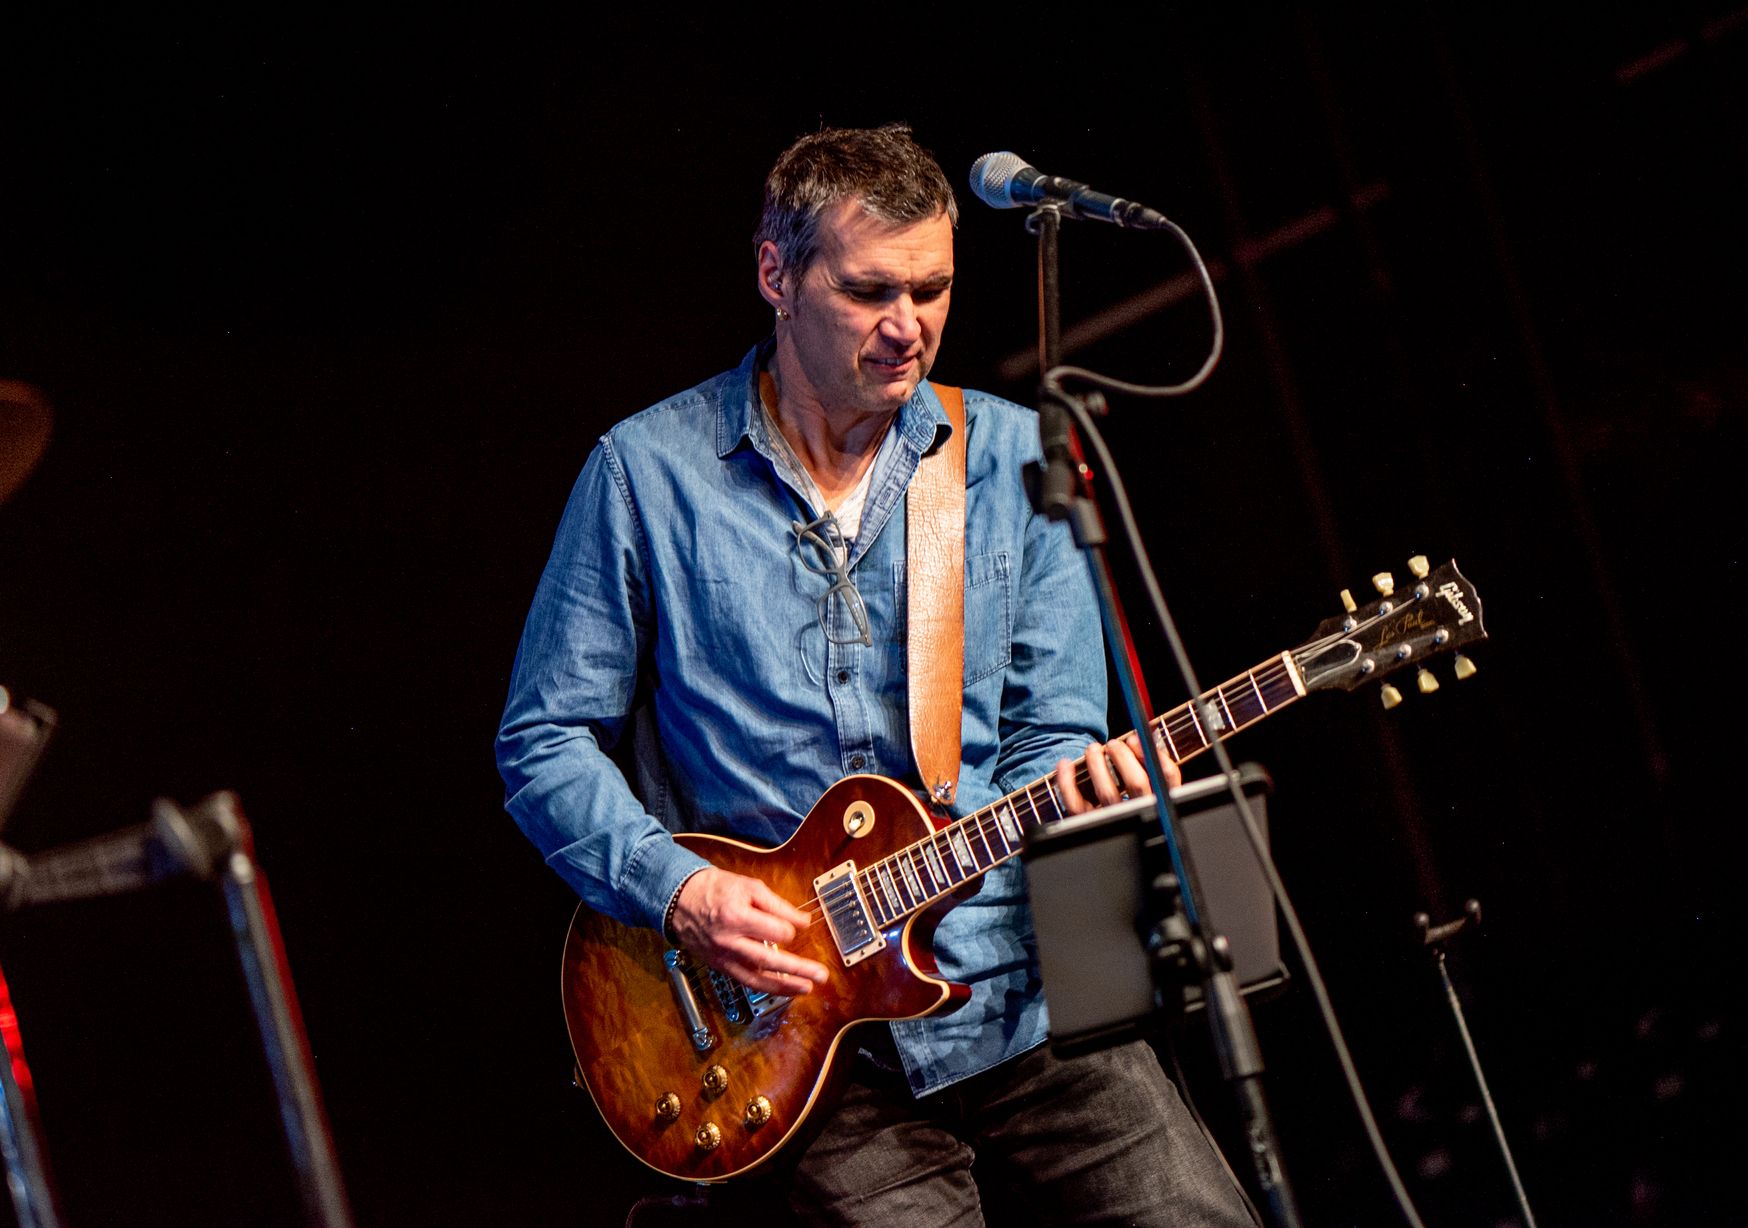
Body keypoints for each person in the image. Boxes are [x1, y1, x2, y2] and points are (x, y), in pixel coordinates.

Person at [497, 124, 1258, 1226]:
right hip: (791, 1039)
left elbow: (1048, 734)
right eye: (868, 292)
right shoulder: (644, 476)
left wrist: (1079, 787)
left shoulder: (1009, 456)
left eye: (932, 290)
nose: (909, 326)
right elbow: (543, 740)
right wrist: (680, 890)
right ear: (776, 274)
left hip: (1014, 991)